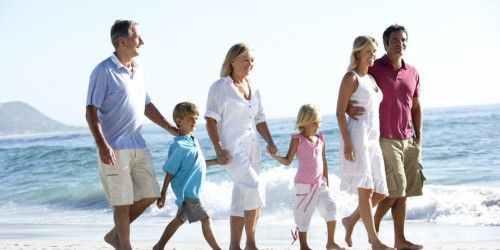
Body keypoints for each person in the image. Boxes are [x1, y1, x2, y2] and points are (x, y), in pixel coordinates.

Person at [85, 20, 178, 250]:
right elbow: (90, 110)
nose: (143, 41)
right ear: (122, 41)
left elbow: (146, 105)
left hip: (138, 143)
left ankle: (115, 236)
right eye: (138, 37)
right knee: (122, 202)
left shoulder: (139, 70)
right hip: (114, 147)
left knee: (150, 194)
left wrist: (168, 127)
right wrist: (102, 145)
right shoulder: (103, 71)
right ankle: (124, 245)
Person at [347, 24, 425, 250]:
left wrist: (418, 137)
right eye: (395, 39)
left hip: (408, 138)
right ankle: (373, 229)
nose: (399, 43)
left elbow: (416, 106)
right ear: (385, 43)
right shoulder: (375, 67)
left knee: (404, 194)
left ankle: (399, 240)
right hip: (383, 137)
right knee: (394, 190)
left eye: (403, 39)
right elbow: (354, 85)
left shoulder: (413, 72)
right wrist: (347, 110)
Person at [205, 43, 278, 250]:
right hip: (232, 152)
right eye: (245, 59)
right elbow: (210, 120)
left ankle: (234, 246)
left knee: (241, 197)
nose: (250, 64)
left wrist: (270, 142)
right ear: (233, 61)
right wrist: (218, 149)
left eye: (252, 60)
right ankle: (251, 244)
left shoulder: (254, 87)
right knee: (255, 189)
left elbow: (260, 119)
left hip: (253, 149)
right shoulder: (219, 87)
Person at [336, 36, 393, 250]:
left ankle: (350, 220)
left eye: (374, 51)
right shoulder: (351, 78)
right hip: (357, 136)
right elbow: (339, 112)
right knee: (366, 190)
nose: (372, 55)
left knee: (381, 191)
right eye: (368, 51)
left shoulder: (370, 79)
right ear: (358, 52)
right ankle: (375, 241)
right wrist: (348, 144)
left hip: (373, 138)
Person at [271, 104, 344, 250]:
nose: (318, 126)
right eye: (314, 123)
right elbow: (287, 160)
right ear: (304, 123)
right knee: (303, 216)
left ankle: (331, 242)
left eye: (319, 122)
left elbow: (323, 161)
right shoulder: (297, 140)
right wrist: (276, 156)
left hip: (320, 184)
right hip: (303, 185)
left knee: (332, 207)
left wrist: (326, 182)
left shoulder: (321, 138)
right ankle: (304, 246)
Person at [154, 102, 221, 250]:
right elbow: (169, 171)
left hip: (193, 191)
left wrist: (217, 161)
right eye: (190, 118)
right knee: (206, 218)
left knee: (179, 220)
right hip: (188, 192)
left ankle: (159, 247)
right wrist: (163, 194)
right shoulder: (178, 146)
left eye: (196, 118)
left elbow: (199, 163)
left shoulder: (193, 140)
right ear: (179, 121)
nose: (194, 122)